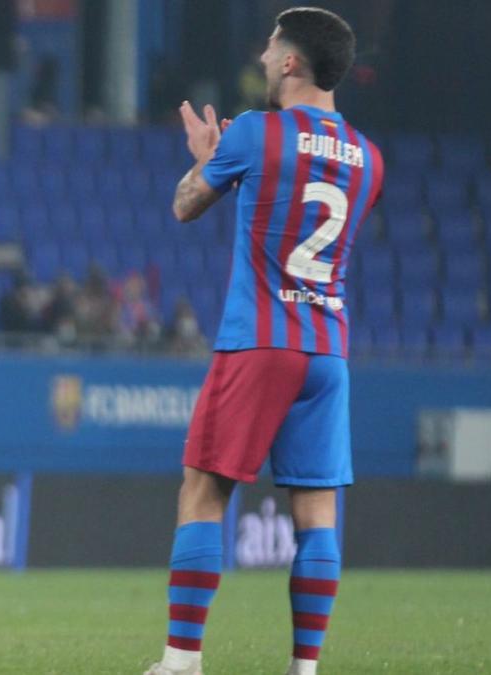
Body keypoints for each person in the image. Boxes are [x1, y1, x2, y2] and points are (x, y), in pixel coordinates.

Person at [145, 8, 383, 675]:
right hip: (328, 349)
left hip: (260, 340)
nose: (261, 58)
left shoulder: (255, 133)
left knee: (204, 491)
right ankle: (304, 668)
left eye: (270, 47)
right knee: (316, 512)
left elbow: (185, 206)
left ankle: (181, 660)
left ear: (290, 62)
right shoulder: (370, 158)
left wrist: (208, 161)